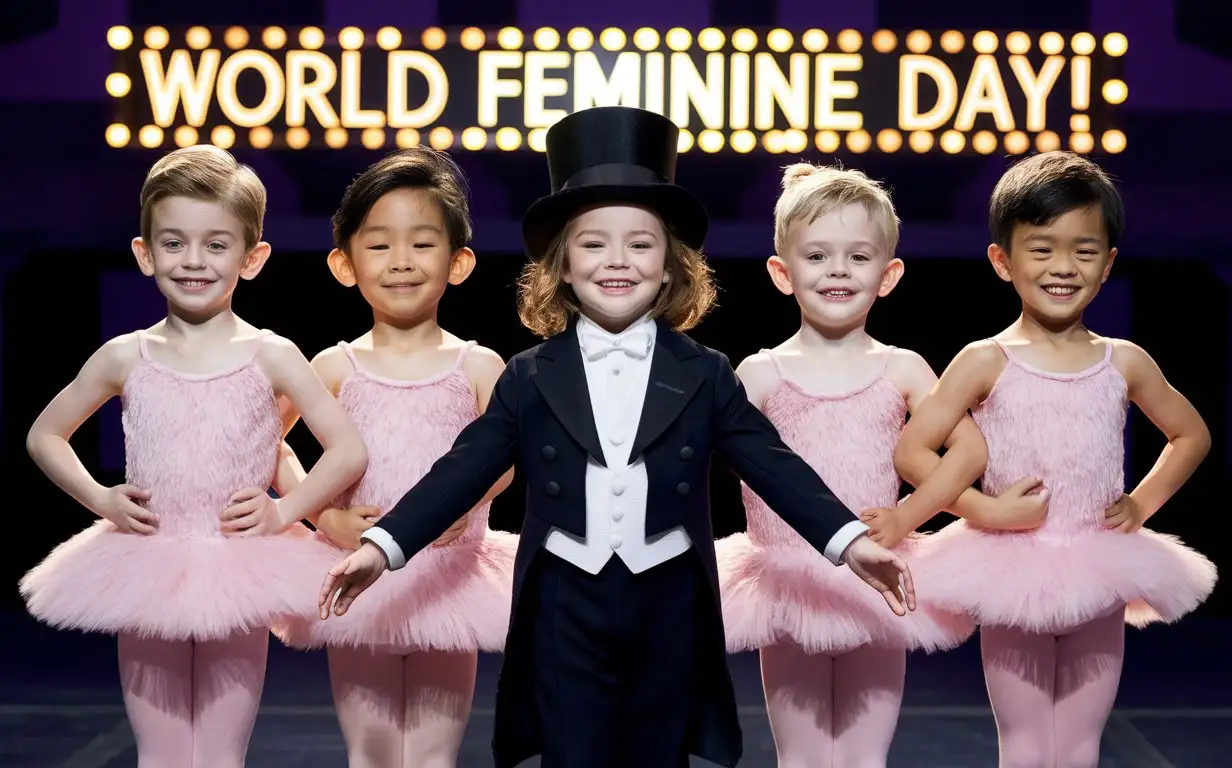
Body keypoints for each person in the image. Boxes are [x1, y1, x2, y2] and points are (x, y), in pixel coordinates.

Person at [319, 106, 915, 768]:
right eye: (593, 243)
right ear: (563, 266)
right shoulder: (530, 376)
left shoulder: (704, 373)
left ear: (669, 267)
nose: (617, 260)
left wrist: (851, 543)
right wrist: (383, 546)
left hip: (669, 609)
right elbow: (460, 470)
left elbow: (773, 466)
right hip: (562, 611)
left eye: (640, 243)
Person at [19, 145, 368, 767]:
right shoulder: (126, 355)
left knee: (220, 751)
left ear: (252, 257)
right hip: (147, 561)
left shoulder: (273, 355)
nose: (193, 262)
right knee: (161, 751)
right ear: (145, 252)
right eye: (174, 243)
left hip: (238, 566)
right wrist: (100, 498)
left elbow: (346, 451)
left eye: (215, 244)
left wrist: (285, 513)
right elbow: (45, 435)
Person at [894, 151, 1218, 767]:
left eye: (1084, 250)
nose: (1063, 267)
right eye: (1042, 250)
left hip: (1096, 563)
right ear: (1002, 260)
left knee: (1077, 744)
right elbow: (913, 450)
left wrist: (1142, 503)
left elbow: (1190, 435)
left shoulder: (1123, 360)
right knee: (1022, 741)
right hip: (1011, 567)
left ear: (1109, 263)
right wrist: (983, 510)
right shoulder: (984, 359)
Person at [717, 162, 1035, 766]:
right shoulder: (757, 375)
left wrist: (905, 518)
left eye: (858, 257)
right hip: (789, 582)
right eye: (817, 257)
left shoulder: (903, 367)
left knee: (866, 757)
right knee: (802, 756)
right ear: (782, 274)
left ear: (888, 275)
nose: (838, 271)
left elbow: (968, 450)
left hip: (879, 580)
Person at [272, 148, 517, 767]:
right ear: (344, 264)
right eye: (379, 245)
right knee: (371, 752)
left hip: (449, 577)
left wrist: (472, 498)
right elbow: (264, 441)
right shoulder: (332, 368)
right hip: (358, 577)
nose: (402, 262)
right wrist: (322, 518)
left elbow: (511, 452)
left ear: (459, 263)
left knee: (435, 755)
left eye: (423, 244)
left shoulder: (479, 366)